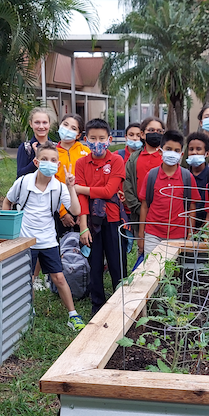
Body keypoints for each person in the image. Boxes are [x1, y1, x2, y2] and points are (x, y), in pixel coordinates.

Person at [3, 145, 85, 330]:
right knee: (28, 279)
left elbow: (76, 211)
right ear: (36, 162)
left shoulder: (59, 187)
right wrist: (9, 230)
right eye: (45, 159)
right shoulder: (24, 182)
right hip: (25, 240)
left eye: (53, 160)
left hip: (48, 239)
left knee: (59, 277)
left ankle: (73, 315)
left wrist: (71, 188)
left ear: (58, 164)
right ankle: (27, 312)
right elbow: (8, 201)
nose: (49, 163)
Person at [73, 118, 127, 315]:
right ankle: (97, 304)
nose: (97, 142)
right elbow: (82, 198)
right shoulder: (81, 163)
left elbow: (109, 191)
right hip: (92, 222)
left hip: (113, 219)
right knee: (94, 264)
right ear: (86, 139)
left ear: (110, 139)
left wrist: (82, 188)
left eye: (101, 138)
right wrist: (83, 227)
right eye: (93, 138)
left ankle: (121, 302)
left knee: (117, 263)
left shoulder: (117, 161)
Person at [139, 130, 198, 257]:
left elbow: (192, 207)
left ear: (182, 154)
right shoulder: (151, 176)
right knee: (150, 269)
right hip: (152, 234)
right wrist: (141, 235)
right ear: (160, 151)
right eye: (168, 149)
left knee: (173, 272)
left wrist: (190, 234)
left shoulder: (187, 177)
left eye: (176, 151)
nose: (172, 153)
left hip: (178, 235)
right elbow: (144, 206)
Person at [122, 116, 165, 228]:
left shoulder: (166, 158)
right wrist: (138, 208)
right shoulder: (134, 158)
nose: (155, 133)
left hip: (163, 215)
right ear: (142, 134)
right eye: (151, 130)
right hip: (138, 214)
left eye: (159, 131)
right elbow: (128, 183)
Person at [54, 113, 88, 234]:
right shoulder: (52, 153)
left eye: (73, 128)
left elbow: (89, 181)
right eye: (65, 125)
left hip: (82, 205)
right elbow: (51, 184)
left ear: (78, 134)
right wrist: (62, 213)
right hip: (59, 207)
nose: (68, 130)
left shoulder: (85, 151)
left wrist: (83, 213)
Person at [15, 107, 56, 178]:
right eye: (37, 122)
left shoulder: (56, 147)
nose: (41, 126)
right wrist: (36, 160)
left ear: (49, 124)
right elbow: (20, 175)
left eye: (44, 122)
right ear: (31, 124)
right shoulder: (26, 148)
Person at [185, 131, 209, 227]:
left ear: (207, 153)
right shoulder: (184, 176)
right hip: (185, 225)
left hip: (205, 226)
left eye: (198, 149)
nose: (194, 152)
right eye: (191, 149)